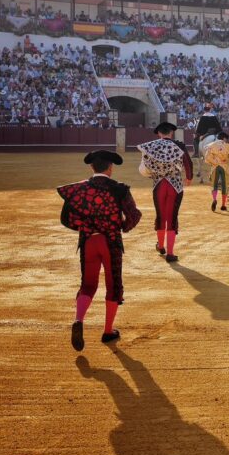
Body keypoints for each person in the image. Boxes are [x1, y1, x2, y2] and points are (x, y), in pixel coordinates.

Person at [57, 150, 142, 351]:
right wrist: (121, 225)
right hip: (110, 242)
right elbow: (133, 215)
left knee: (87, 285)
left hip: (88, 242)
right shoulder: (119, 189)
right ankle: (107, 331)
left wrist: (85, 227)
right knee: (113, 285)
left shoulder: (79, 189)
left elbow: (66, 219)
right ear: (110, 168)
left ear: (91, 168)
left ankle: (78, 320)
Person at [137, 122, 193, 263]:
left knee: (161, 215)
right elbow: (187, 162)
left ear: (159, 134)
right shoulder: (179, 146)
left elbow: (144, 168)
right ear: (171, 133)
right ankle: (171, 253)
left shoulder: (151, 146)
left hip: (158, 184)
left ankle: (161, 246)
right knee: (172, 217)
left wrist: (154, 174)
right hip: (175, 185)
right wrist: (189, 177)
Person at [203, 131, 229, 212]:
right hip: (224, 167)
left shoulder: (211, 145)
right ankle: (223, 205)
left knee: (214, 185)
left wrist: (215, 163)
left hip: (215, 167)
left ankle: (214, 199)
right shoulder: (228, 146)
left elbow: (206, 158)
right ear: (224, 138)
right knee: (225, 186)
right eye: (226, 139)